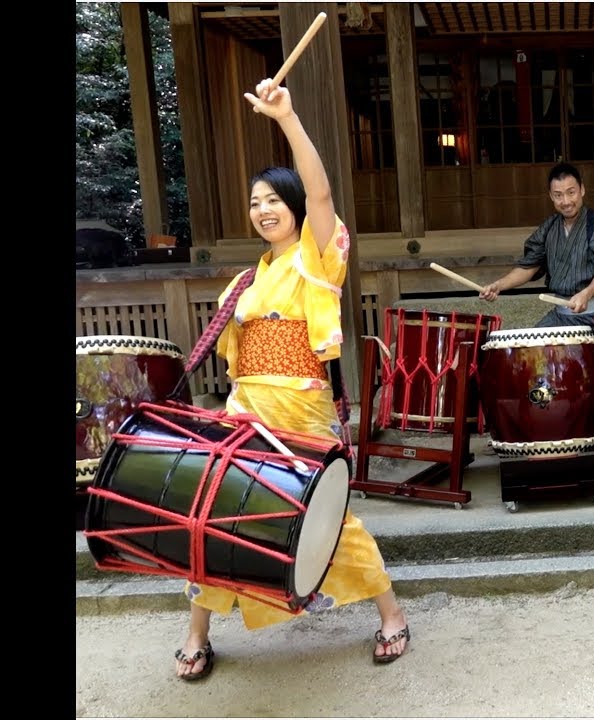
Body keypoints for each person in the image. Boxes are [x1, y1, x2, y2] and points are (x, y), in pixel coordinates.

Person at [173, 78, 410, 680]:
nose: (262, 210)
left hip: (299, 410)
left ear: (294, 207)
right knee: (215, 515)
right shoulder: (243, 282)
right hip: (244, 411)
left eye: (272, 199)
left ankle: (391, 615)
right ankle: (197, 633)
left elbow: (323, 189)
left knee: (328, 516)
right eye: (254, 203)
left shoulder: (316, 256)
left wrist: (287, 118)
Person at [479, 163, 594, 328]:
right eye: (558, 195)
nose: (565, 201)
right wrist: (498, 286)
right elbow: (530, 266)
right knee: (531, 347)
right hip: (560, 316)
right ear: (551, 196)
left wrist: (586, 294)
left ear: (582, 190)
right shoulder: (549, 228)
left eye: (571, 193)